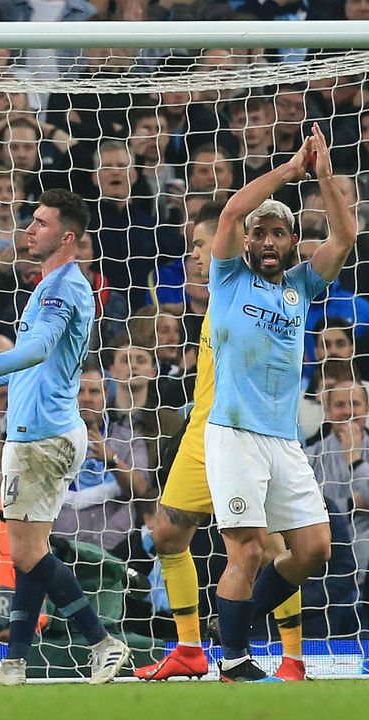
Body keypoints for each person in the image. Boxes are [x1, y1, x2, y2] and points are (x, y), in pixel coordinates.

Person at [0, 188, 131, 685]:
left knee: (26, 552)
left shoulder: (59, 290)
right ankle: (15, 663)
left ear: (67, 237)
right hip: (51, 429)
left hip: (40, 437)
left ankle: (101, 641)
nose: (30, 229)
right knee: (31, 549)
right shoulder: (55, 285)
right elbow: (38, 361)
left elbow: (41, 345)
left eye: (42, 223)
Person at [202, 125, 353, 682]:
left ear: (292, 243)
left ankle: (232, 625)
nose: (267, 241)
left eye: (278, 234)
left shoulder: (301, 287)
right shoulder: (226, 277)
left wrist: (324, 176)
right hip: (234, 433)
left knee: (314, 548)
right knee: (248, 549)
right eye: (259, 233)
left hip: (282, 439)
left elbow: (344, 237)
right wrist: (289, 170)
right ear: (248, 241)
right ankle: (236, 661)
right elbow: (226, 215)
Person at [133, 201, 307, 682]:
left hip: (245, 435)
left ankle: (291, 658)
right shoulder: (216, 297)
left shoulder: (255, 290)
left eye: (198, 244)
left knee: (271, 547)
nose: (191, 255)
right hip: (201, 433)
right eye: (188, 247)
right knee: (167, 535)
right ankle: (189, 648)